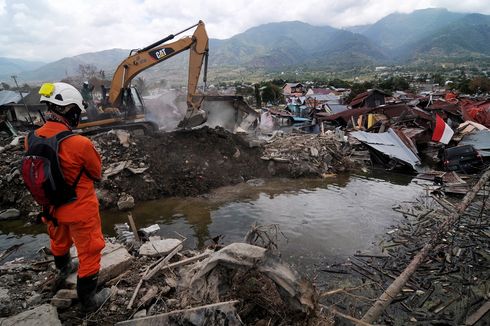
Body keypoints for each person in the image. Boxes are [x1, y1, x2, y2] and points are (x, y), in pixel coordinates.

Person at [27, 82, 109, 313]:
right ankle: (89, 302)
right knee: (90, 250)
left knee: (59, 242)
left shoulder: (30, 138)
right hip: (79, 210)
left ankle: (63, 270)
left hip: (50, 208)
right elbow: (96, 173)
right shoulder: (80, 143)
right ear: (70, 110)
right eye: (77, 112)